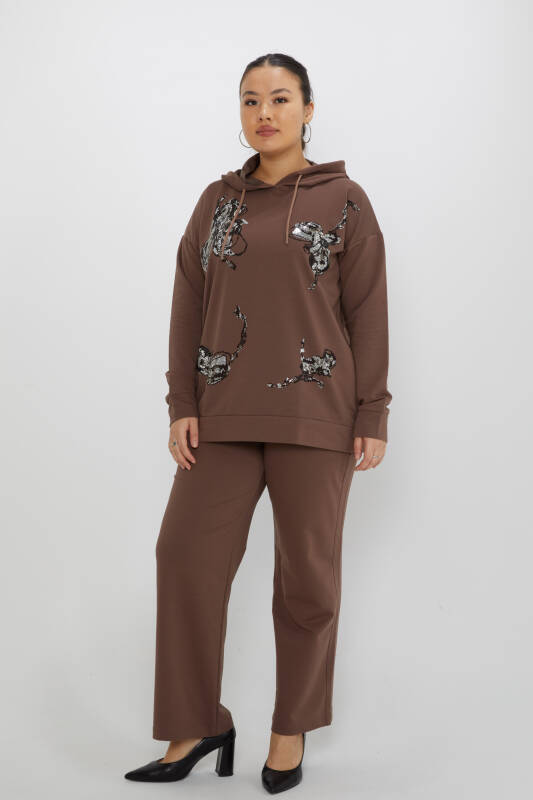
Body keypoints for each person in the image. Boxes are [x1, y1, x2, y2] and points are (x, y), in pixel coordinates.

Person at [124, 52, 392, 794]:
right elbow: (188, 303)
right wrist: (182, 403)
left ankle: (289, 729)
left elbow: (367, 310)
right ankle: (196, 724)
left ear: (308, 109)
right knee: (184, 556)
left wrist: (372, 411)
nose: (263, 113)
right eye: (249, 100)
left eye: (278, 98)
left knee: (307, 580)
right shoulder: (217, 202)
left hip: (318, 413)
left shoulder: (345, 201)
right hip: (221, 414)